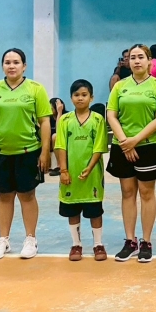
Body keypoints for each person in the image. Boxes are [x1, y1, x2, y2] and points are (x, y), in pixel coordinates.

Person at [0, 48, 52, 260]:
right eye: (7, 62)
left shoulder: (35, 89)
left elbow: (45, 122)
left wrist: (45, 151)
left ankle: (30, 238)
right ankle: (4, 239)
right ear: (3, 66)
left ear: (24, 66)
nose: (11, 66)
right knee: (4, 196)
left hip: (28, 151)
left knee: (27, 195)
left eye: (16, 62)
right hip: (0, 152)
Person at [107, 44, 156, 263]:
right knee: (127, 192)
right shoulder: (120, 86)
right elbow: (111, 115)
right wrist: (125, 141)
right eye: (132, 57)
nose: (137, 61)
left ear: (150, 60)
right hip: (122, 145)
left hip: (147, 146)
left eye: (141, 57)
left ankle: (146, 242)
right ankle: (130, 241)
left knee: (146, 193)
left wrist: (136, 140)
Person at [55, 79, 109, 262]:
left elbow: (99, 147)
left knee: (95, 211)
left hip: (92, 175)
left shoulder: (98, 119)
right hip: (70, 175)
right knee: (72, 210)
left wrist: (90, 167)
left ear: (91, 97)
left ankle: (98, 244)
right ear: (71, 98)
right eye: (76, 95)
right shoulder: (65, 120)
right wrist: (63, 170)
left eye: (84, 95)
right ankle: (76, 244)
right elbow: (61, 146)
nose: (80, 98)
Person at [48, 97, 66, 175]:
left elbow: (59, 130)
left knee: (55, 136)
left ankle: (60, 166)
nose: (50, 110)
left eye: (51, 108)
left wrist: (59, 113)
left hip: (64, 142)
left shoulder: (67, 115)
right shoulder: (49, 118)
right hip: (51, 145)